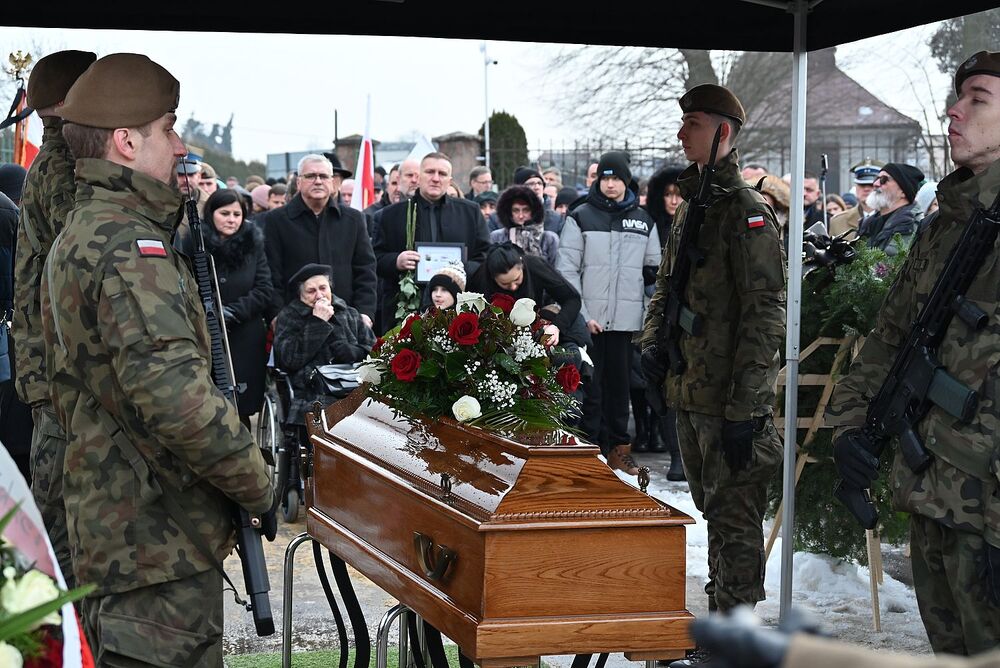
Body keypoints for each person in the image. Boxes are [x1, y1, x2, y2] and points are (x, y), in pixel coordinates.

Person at [43, 52, 273, 664]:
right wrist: (259, 481)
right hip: (153, 545)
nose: (179, 146)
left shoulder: (95, 226)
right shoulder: (127, 245)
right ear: (125, 141)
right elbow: (175, 396)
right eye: (167, 128)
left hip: (131, 537)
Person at [826, 51, 1000, 657]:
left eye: (979, 99)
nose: (955, 111)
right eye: (959, 97)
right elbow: (893, 336)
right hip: (935, 491)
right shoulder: (948, 222)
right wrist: (852, 425)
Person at [638, 85, 785, 660]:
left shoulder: (746, 212)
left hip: (729, 397)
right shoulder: (694, 205)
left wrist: (748, 407)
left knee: (736, 514)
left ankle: (736, 634)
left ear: (722, 132)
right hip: (693, 389)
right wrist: (655, 349)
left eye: (693, 124)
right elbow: (667, 289)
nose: (682, 134)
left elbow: (765, 314)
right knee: (714, 511)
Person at [13, 49, 96, 587]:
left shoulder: (58, 160)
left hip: (56, 375)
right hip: (64, 378)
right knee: (68, 540)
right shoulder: (66, 167)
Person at [558, 150, 660, 476]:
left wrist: (647, 317)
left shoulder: (644, 220)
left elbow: (653, 273)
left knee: (620, 389)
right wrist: (582, 314)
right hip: (589, 321)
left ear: (627, 180)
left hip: (625, 325)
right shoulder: (581, 216)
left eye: (617, 178)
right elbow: (567, 271)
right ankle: (588, 450)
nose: (611, 184)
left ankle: (618, 449)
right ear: (598, 180)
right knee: (590, 386)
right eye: (606, 177)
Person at [372, 152, 490, 333]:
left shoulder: (470, 212)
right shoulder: (390, 215)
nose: (436, 178)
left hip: (459, 310)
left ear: (449, 180)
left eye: (442, 174)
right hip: (404, 310)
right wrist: (396, 261)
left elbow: (484, 256)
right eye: (430, 172)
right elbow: (374, 259)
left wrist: (461, 270)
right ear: (419, 177)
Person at [259, 153, 377, 328]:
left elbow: (365, 270)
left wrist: (365, 312)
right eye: (310, 176)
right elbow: (271, 273)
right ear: (298, 182)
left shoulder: (354, 220)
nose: (318, 181)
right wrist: (276, 315)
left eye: (323, 176)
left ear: (332, 181)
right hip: (295, 324)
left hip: (347, 322)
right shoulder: (276, 220)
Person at [203, 189, 277, 429]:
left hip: (245, 337)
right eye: (224, 213)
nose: (231, 219)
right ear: (211, 214)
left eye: (237, 214)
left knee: (241, 408)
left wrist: (233, 312)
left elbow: (264, 289)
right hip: (206, 335)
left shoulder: (253, 246)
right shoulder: (195, 247)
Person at [273, 264, 375, 425]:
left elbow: (374, 349)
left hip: (353, 383)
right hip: (311, 389)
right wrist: (318, 322)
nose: (319, 295)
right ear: (301, 294)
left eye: (323, 288)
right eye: (311, 291)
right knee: (330, 411)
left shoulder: (349, 313)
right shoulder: (289, 317)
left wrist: (356, 352)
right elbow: (289, 359)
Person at [642, 165, 686, 472]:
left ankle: (681, 454)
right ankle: (675, 455)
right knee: (661, 382)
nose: (673, 200)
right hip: (656, 310)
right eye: (667, 194)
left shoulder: (698, 220)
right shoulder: (651, 226)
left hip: (689, 311)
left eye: (678, 194)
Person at [857, 162, 924, 255]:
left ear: (903, 192)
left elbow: (889, 265)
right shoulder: (869, 223)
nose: (875, 184)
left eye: (883, 180)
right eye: (876, 178)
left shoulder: (910, 223)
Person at [489, 184, 560, 267]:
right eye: (516, 210)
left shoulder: (549, 239)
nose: (521, 215)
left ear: (534, 211)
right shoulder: (497, 237)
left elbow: (556, 272)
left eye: (526, 210)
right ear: (508, 212)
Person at [828, 158, 881, 238]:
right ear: (856, 186)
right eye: (862, 185)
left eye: (871, 184)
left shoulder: (892, 220)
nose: (866, 189)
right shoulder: (838, 222)